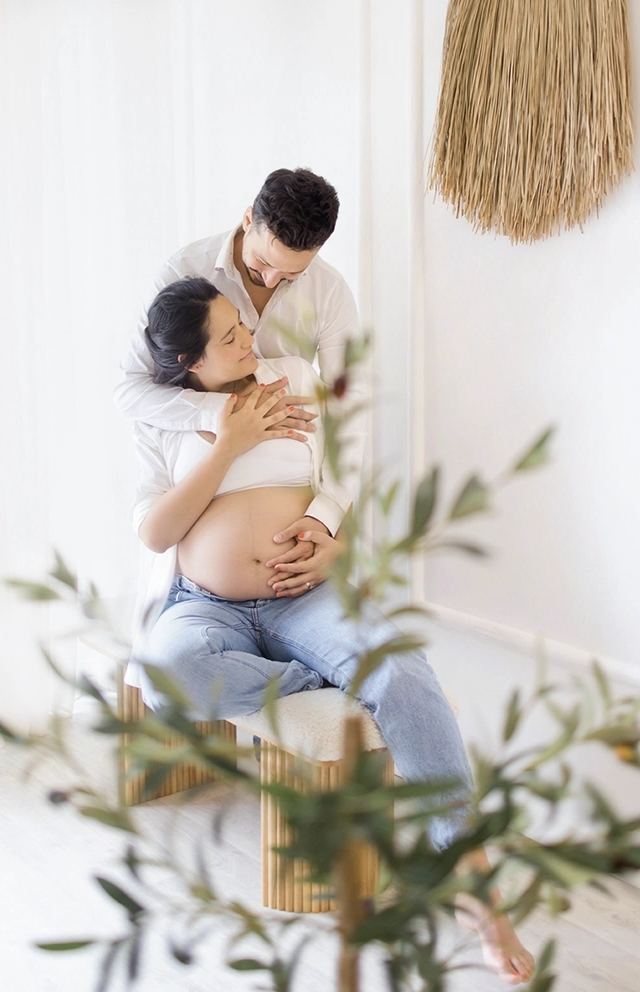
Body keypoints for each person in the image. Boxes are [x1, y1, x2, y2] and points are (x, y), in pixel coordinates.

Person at [129, 276, 535, 986]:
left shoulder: (290, 377)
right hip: (206, 606)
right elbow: (156, 532)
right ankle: (314, 676)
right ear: (191, 362)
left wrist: (327, 533)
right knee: (169, 674)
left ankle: (475, 885)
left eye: (241, 325)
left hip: (306, 596)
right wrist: (227, 445)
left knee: (399, 670)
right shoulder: (161, 419)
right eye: (228, 337)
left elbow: (343, 472)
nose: (249, 339)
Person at [116, 167, 365, 592]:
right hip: (200, 467)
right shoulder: (183, 271)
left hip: (295, 480)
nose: (271, 280)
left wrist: (329, 523)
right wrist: (229, 415)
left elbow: (351, 404)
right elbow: (131, 389)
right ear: (249, 219)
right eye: (263, 263)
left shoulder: (329, 292)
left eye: (291, 275)